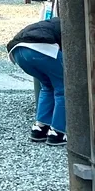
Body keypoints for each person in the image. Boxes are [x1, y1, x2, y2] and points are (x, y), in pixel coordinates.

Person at [7, 17, 65, 146]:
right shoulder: (72, 25)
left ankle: (40, 128)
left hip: (16, 51)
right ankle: (58, 132)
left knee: (47, 86)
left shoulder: (52, 22)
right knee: (63, 88)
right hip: (40, 49)